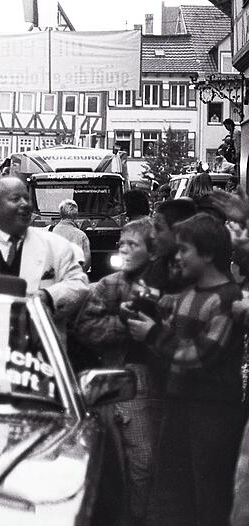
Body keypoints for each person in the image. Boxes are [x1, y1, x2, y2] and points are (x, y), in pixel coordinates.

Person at [127, 213, 244, 526]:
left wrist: (152, 333)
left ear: (206, 254)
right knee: (175, 489)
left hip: (213, 411)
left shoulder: (226, 300)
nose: (176, 257)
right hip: (179, 403)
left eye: (184, 251)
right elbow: (174, 345)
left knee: (209, 490)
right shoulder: (188, 295)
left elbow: (198, 355)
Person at [74, 218, 160, 523]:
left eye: (132, 244)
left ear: (152, 251)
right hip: (127, 383)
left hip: (166, 384)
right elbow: (86, 328)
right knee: (139, 463)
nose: (123, 249)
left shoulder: (168, 281)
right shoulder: (110, 285)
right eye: (121, 243)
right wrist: (125, 326)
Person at [0, 177, 88, 322]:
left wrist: (48, 295)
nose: (24, 205)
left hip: (40, 339)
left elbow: (79, 284)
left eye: (26, 198)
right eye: (15, 199)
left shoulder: (56, 245)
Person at [145, 198, 197, 294]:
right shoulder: (157, 267)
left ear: (179, 230)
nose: (152, 235)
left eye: (158, 229)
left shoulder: (201, 271)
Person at [49, 199, 91, 272]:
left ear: (60, 214)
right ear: (76, 216)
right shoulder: (82, 236)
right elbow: (86, 262)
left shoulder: (51, 234)